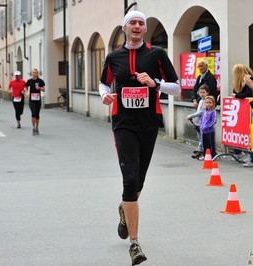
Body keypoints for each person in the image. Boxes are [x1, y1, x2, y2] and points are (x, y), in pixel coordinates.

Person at [98, 11, 180, 265]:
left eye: (141, 23)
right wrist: (104, 95)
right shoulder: (113, 58)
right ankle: (134, 244)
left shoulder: (157, 55)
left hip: (148, 123)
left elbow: (177, 87)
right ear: (124, 28)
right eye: (132, 22)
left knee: (139, 182)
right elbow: (103, 83)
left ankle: (125, 209)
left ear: (145, 29)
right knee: (130, 179)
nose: (137, 26)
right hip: (123, 122)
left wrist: (155, 83)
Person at [231, 64, 253, 167]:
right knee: (247, 134)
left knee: (251, 135)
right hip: (244, 112)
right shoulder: (241, 81)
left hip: (251, 111)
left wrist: (237, 96)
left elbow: (249, 94)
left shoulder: (248, 79)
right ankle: (251, 156)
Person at [186, 84, 209, 159]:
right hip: (199, 122)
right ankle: (200, 151)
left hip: (204, 123)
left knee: (203, 139)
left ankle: (203, 153)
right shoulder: (200, 100)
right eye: (200, 92)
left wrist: (191, 116)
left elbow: (201, 112)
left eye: (203, 92)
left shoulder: (207, 101)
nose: (202, 94)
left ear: (207, 93)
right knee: (199, 138)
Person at [25, 69, 45, 135]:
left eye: (35, 72)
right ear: (31, 73)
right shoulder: (29, 81)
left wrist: (39, 88)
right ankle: (33, 127)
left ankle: (37, 127)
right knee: (33, 113)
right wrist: (27, 93)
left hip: (38, 100)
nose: (34, 74)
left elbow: (44, 89)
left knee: (37, 114)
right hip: (31, 100)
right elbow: (25, 87)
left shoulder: (40, 81)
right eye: (33, 72)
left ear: (37, 73)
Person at [199, 95, 217, 160]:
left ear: (213, 103)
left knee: (211, 144)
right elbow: (201, 119)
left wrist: (208, 126)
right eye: (207, 103)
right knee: (205, 144)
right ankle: (205, 155)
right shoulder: (204, 111)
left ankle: (212, 155)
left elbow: (214, 120)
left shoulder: (213, 112)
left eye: (210, 103)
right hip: (204, 131)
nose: (208, 104)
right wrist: (201, 125)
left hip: (210, 131)